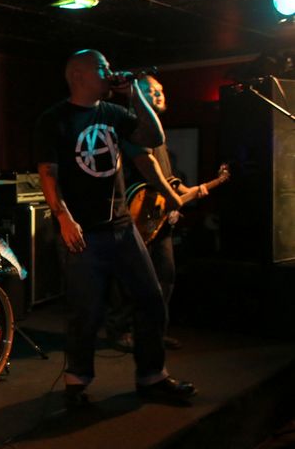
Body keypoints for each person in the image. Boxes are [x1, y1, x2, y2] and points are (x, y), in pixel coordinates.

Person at [34, 49, 197, 408]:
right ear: (78, 75)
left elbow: (152, 139)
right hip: (82, 231)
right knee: (86, 311)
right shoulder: (55, 119)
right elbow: (48, 173)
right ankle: (76, 384)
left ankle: (152, 377)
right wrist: (63, 217)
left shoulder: (115, 113)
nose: (109, 72)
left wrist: (134, 93)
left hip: (122, 227)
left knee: (151, 299)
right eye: (102, 68)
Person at [106, 75, 209, 352]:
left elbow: (167, 177)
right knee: (129, 276)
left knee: (165, 275)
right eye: (152, 91)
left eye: (161, 91)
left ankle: (153, 331)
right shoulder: (130, 124)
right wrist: (170, 197)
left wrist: (184, 193)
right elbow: (142, 169)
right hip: (134, 213)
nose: (160, 95)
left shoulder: (156, 131)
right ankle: (120, 331)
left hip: (158, 216)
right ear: (136, 94)